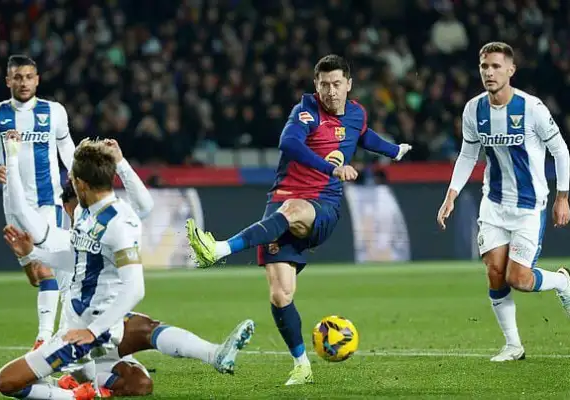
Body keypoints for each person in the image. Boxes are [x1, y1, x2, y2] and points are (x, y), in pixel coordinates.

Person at [186, 54, 412, 385]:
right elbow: (289, 143)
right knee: (281, 295)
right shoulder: (306, 111)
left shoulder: (356, 113)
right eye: (324, 85)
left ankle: (219, 249)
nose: (331, 92)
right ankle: (302, 365)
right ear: (316, 86)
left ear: (349, 85)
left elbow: (363, 135)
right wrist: (332, 167)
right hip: (281, 204)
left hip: (322, 206)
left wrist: (394, 150)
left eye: (337, 84)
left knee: (292, 210)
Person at [2, 135, 254, 398]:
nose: (72, 185)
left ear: (82, 184)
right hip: (83, 323)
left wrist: (92, 332)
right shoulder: (83, 214)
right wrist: (34, 253)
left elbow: (135, 288)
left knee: (7, 382)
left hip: (93, 329)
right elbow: (77, 259)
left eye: (73, 181)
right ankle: (84, 388)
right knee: (138, 377)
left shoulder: (119, 223)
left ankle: (77, 393)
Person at [437, 42, 570, 362]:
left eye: (496, 66)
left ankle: (563, 282)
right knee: (495, 272)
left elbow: (561, 151)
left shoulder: (532, 108)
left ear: (511, 70)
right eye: (484, 66)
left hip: (528, 206)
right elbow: (468, 154)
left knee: (519, 279)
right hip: (494, 204)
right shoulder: (474, 110)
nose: (489, 72)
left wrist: (562, 197)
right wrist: (451, 194)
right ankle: (513, 345)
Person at [0, 55, 75, 349]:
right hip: (14, 204)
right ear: (8, 81)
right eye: (18, 77)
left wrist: (78, 174)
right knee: (35, 274)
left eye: (29, 77)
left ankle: (45, 337)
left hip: (48, 201)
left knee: (47, 267)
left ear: (37, 79)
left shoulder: (54, 112)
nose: (24, 82)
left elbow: (66, 146)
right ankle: (53, 331)